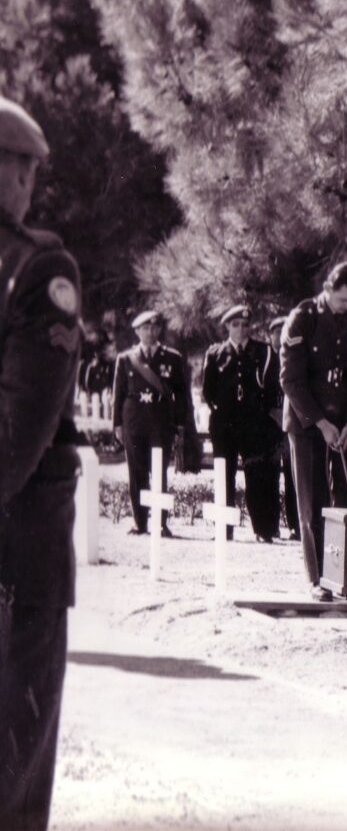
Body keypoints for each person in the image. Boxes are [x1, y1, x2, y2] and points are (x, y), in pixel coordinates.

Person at [0, 95, 81, 831]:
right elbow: (21, 432)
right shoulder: (37, 268)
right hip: (16, 552)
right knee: (13, 769)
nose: (28, 182)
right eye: (22, 168)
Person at [281, 263, 347, 601]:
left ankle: (346, 575)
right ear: (328, 289)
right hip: (306, 423)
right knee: (311, 501)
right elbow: (290, 380)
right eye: (343, 300)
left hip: (343, 422)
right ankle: (317, 579)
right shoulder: (303, 317)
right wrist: (321, 423)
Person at [202, 305, 282, 543]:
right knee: (223, 474)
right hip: (225, 425)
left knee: (258, 476)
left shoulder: (263, 352)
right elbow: (208, 391)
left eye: (245, 325)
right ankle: (224, 528)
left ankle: (263, 530)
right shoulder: (216, 353)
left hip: (255, 425)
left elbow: (271, 387)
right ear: (227, 326)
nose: (241, 330)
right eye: (235, 325)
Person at [112, 310, 188, 536]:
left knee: (160, 471)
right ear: (136, 331)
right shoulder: (126, 359)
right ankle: (140, 522)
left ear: (159, 330)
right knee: (136, 472)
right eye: (145, 328)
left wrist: (180, 424)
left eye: (154, 328)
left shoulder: (172, 357)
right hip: (134, 420)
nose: (150, 332)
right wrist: (117, 424)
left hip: (161, 420)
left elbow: (182, 394)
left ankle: (162, 523)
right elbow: (118, 394)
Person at [267, 316, 299, 541]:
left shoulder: (297, 356)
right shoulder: (265, 358)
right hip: (269, 425)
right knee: (268, 476)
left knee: (293, 476)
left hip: (292, 424)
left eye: (283, 329)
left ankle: (294, 525)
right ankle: (270, 527)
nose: (279, 334)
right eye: (275, 330)